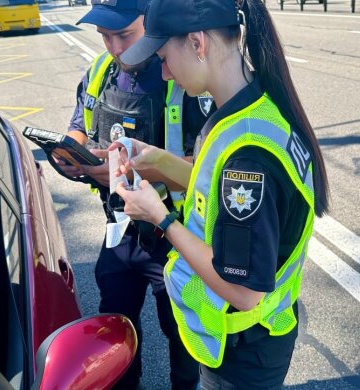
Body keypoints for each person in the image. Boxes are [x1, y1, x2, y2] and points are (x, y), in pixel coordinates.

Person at [111, 0, 330, 388]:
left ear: (197, 43)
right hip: (251, 339)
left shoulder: (248, 158)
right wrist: (158, 160)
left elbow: (243, 292)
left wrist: (160, 217)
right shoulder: (250, 107)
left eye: (163, 57)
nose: (163, 74)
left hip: (244, 350)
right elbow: (214, 190)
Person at [56, 0, 215, 388]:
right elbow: (82, 122)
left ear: (151, 20)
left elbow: (208, 168)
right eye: (104, 36)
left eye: (124, 34)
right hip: (120, 229)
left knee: (181, 334)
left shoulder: (182, 76)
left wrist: (128, 171)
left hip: (173, 235)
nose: (114, 47)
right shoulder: (100, 71)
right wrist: (69, 152)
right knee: (115, 330)